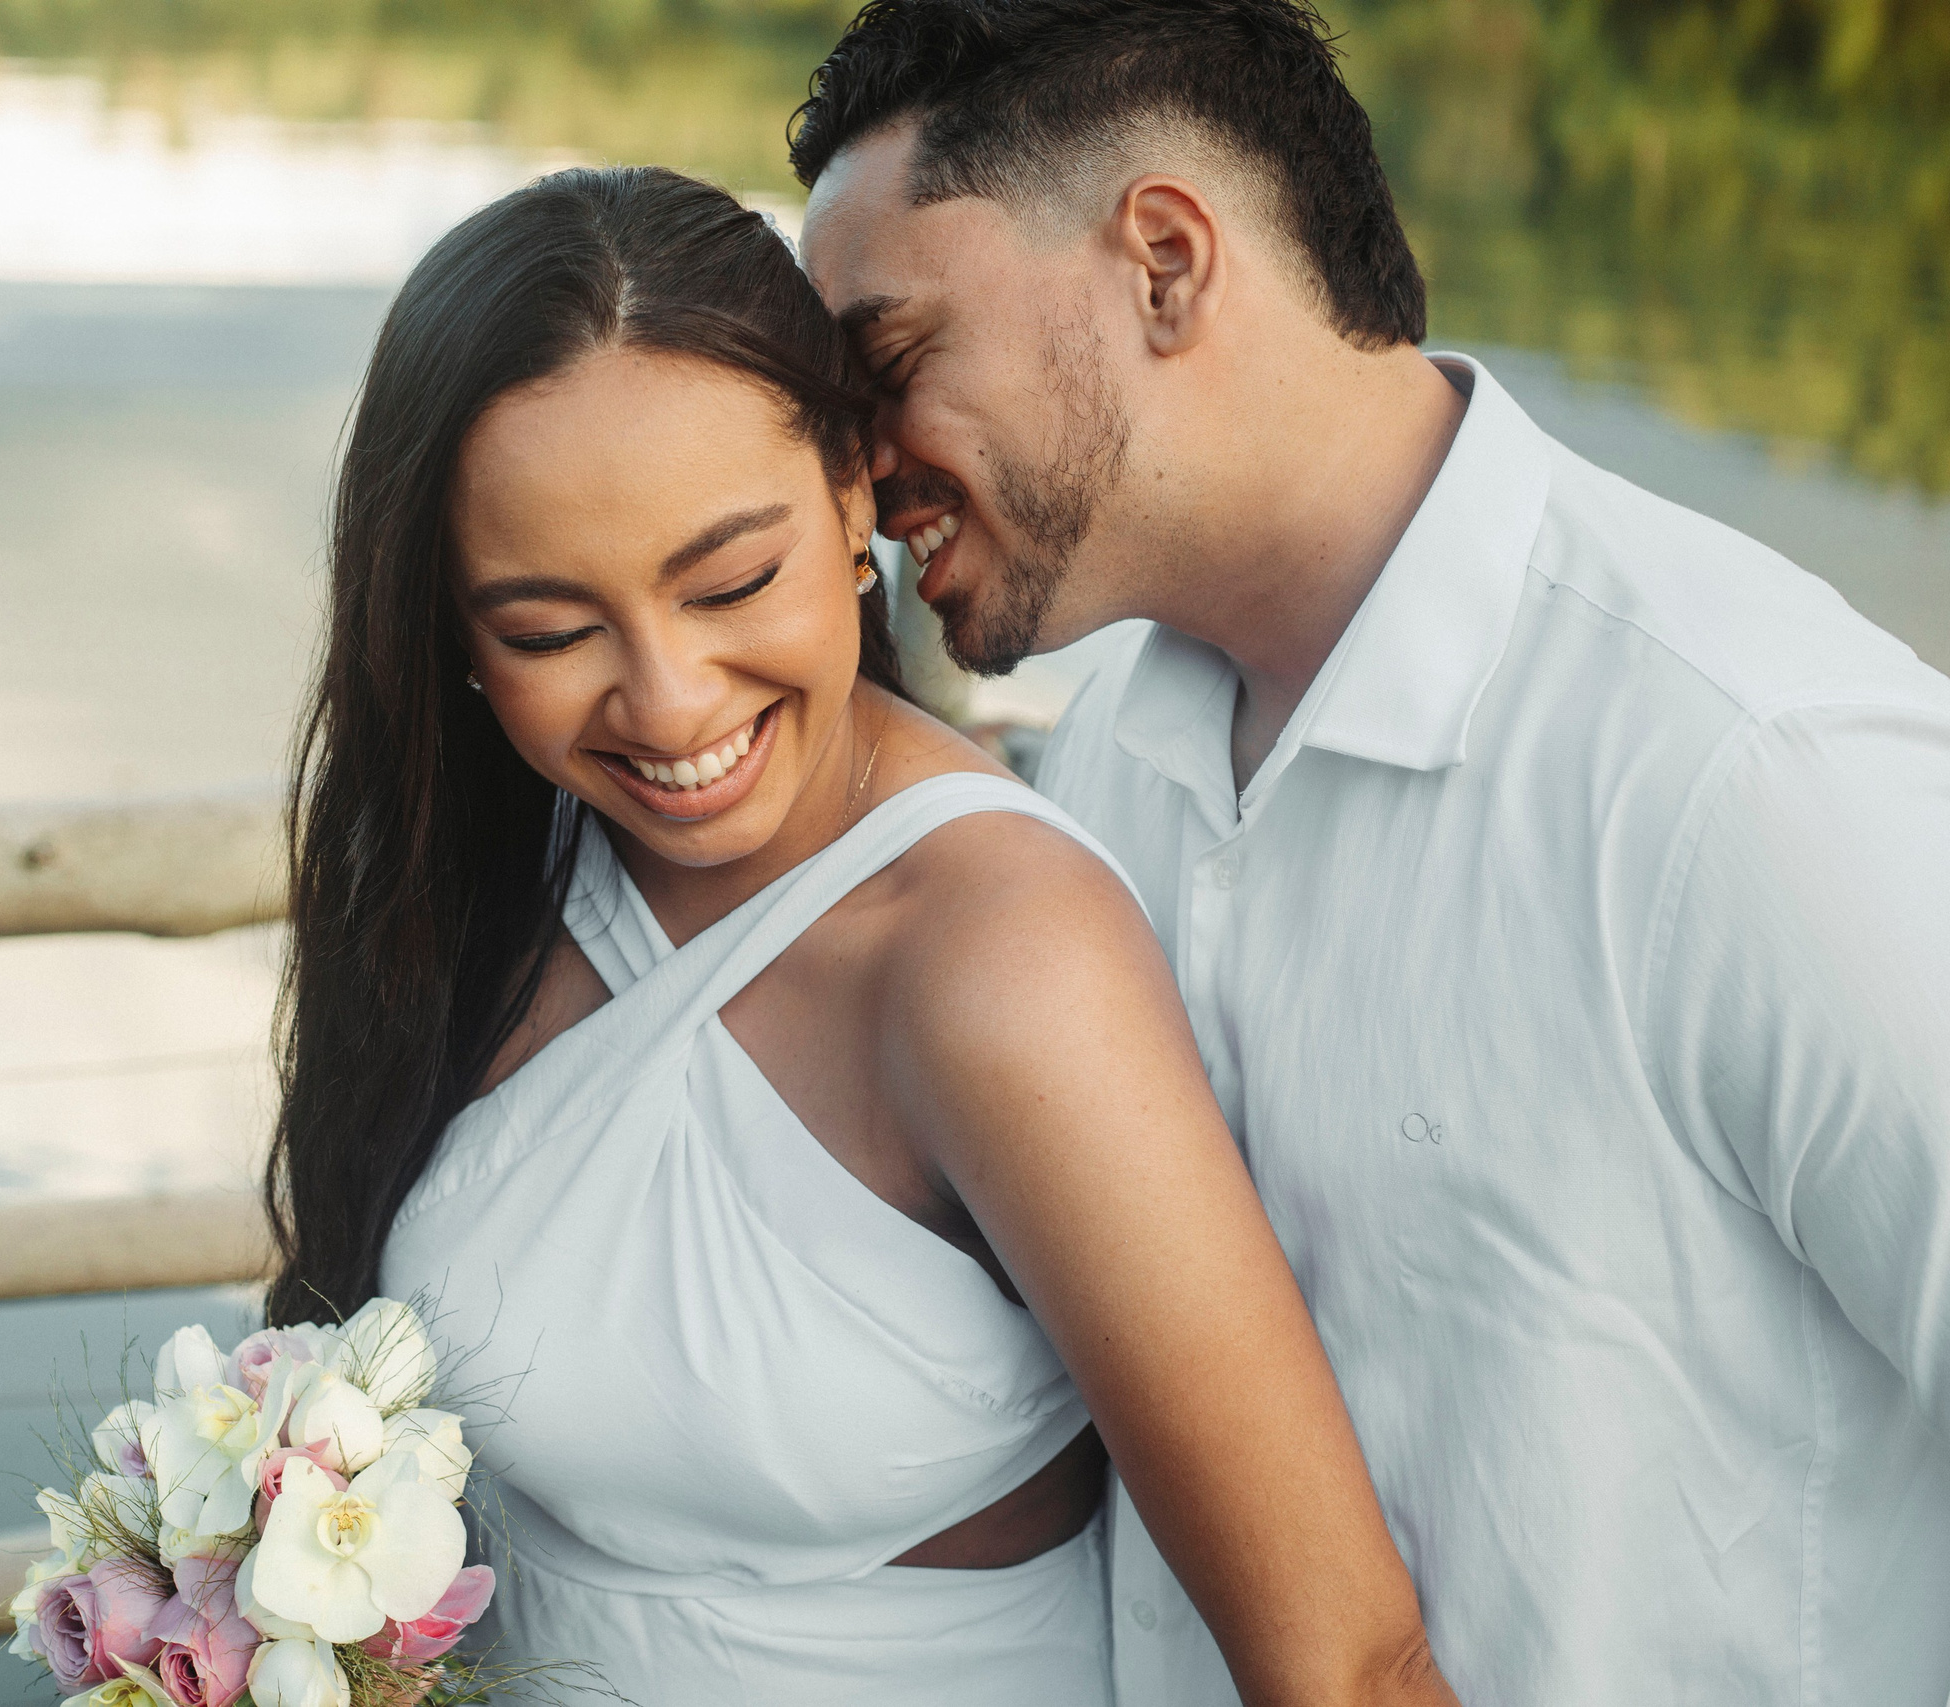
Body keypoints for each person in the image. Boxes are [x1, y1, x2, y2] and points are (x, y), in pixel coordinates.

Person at [791, 2, 1950, 1704]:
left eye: (886, 366)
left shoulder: (1746, 769)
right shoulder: (1105, 764)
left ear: (1167, 262)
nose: (854, 474)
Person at [261, 164, 1455, 1705]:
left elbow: (1346, 1662)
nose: (672, 703)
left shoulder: (997, 961)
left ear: (851, 500)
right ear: (448, 636)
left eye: (732, 581)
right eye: (550, 631)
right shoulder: (486, 875)